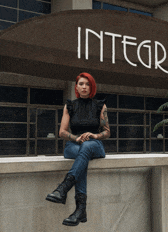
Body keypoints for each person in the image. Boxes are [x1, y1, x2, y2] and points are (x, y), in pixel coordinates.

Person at [46, 72, 110, 226]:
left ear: (92, 87)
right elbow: (62, 132)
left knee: (86, 147)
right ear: (76, 87)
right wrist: (76, 138)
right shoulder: (70, 106)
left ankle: (64, 188)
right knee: (83, 155)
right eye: (81, 83)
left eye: (87, 84)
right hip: (73, 146)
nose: (84, 87)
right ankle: (80, 210)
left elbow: (107, 132)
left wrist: (94, 136)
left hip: (95, 145)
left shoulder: (100, 106)